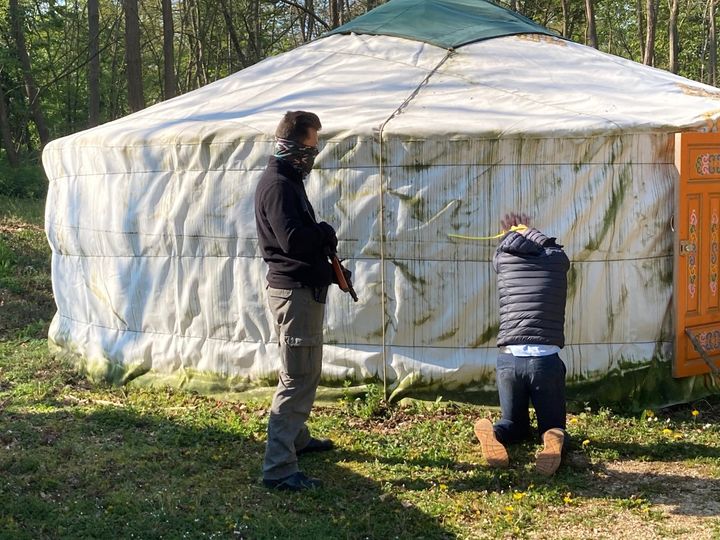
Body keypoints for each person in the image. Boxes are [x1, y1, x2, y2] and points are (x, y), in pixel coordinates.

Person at [255, 111, 338, 491]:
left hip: (300, 291)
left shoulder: (287, 180)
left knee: (302, 368)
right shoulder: (278, 185)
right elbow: (292, 241)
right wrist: (323, 233)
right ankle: (279, 468)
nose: (312, 156)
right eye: (309, 148)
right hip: (294, 293)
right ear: (290, 146)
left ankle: (297, 439)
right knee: (298, 376)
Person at [474, 224, 570, 476]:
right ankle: (551, 438)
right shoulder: (557, 261)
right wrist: (531, 230)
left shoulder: (503, 260)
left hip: (508, 361)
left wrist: (514, 233)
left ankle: (495, 433)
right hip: (545, 363)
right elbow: (555, 248)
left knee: (512, 424)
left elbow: (502, 250)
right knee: (553, 425)